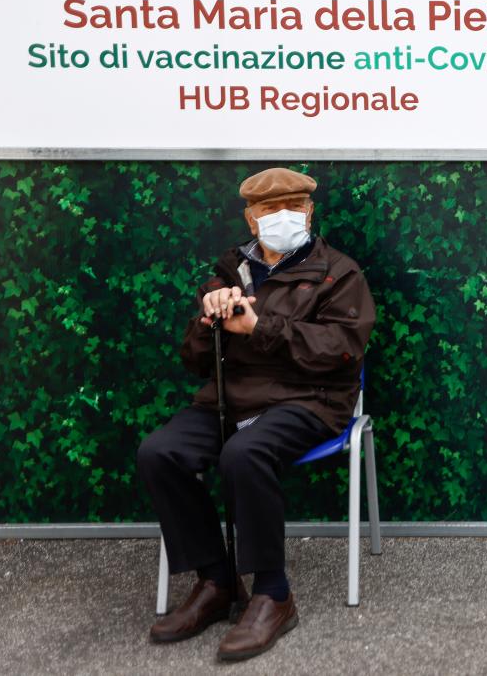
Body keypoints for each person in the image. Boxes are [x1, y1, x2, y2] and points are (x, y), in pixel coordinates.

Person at [136, 167, 375, 662]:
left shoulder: (340, 273)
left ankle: (273, 592)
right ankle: (216, 581)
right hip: (231, 399)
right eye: (269, 210)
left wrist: (259, 326)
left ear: (310, 212)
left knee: (244, 454)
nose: (282, 217)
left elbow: (341, 350)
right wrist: (208, 321)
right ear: (251, 219)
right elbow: (194, 361)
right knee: (160, 453)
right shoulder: (228, 274)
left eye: (293, 207)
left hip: (310, 400)